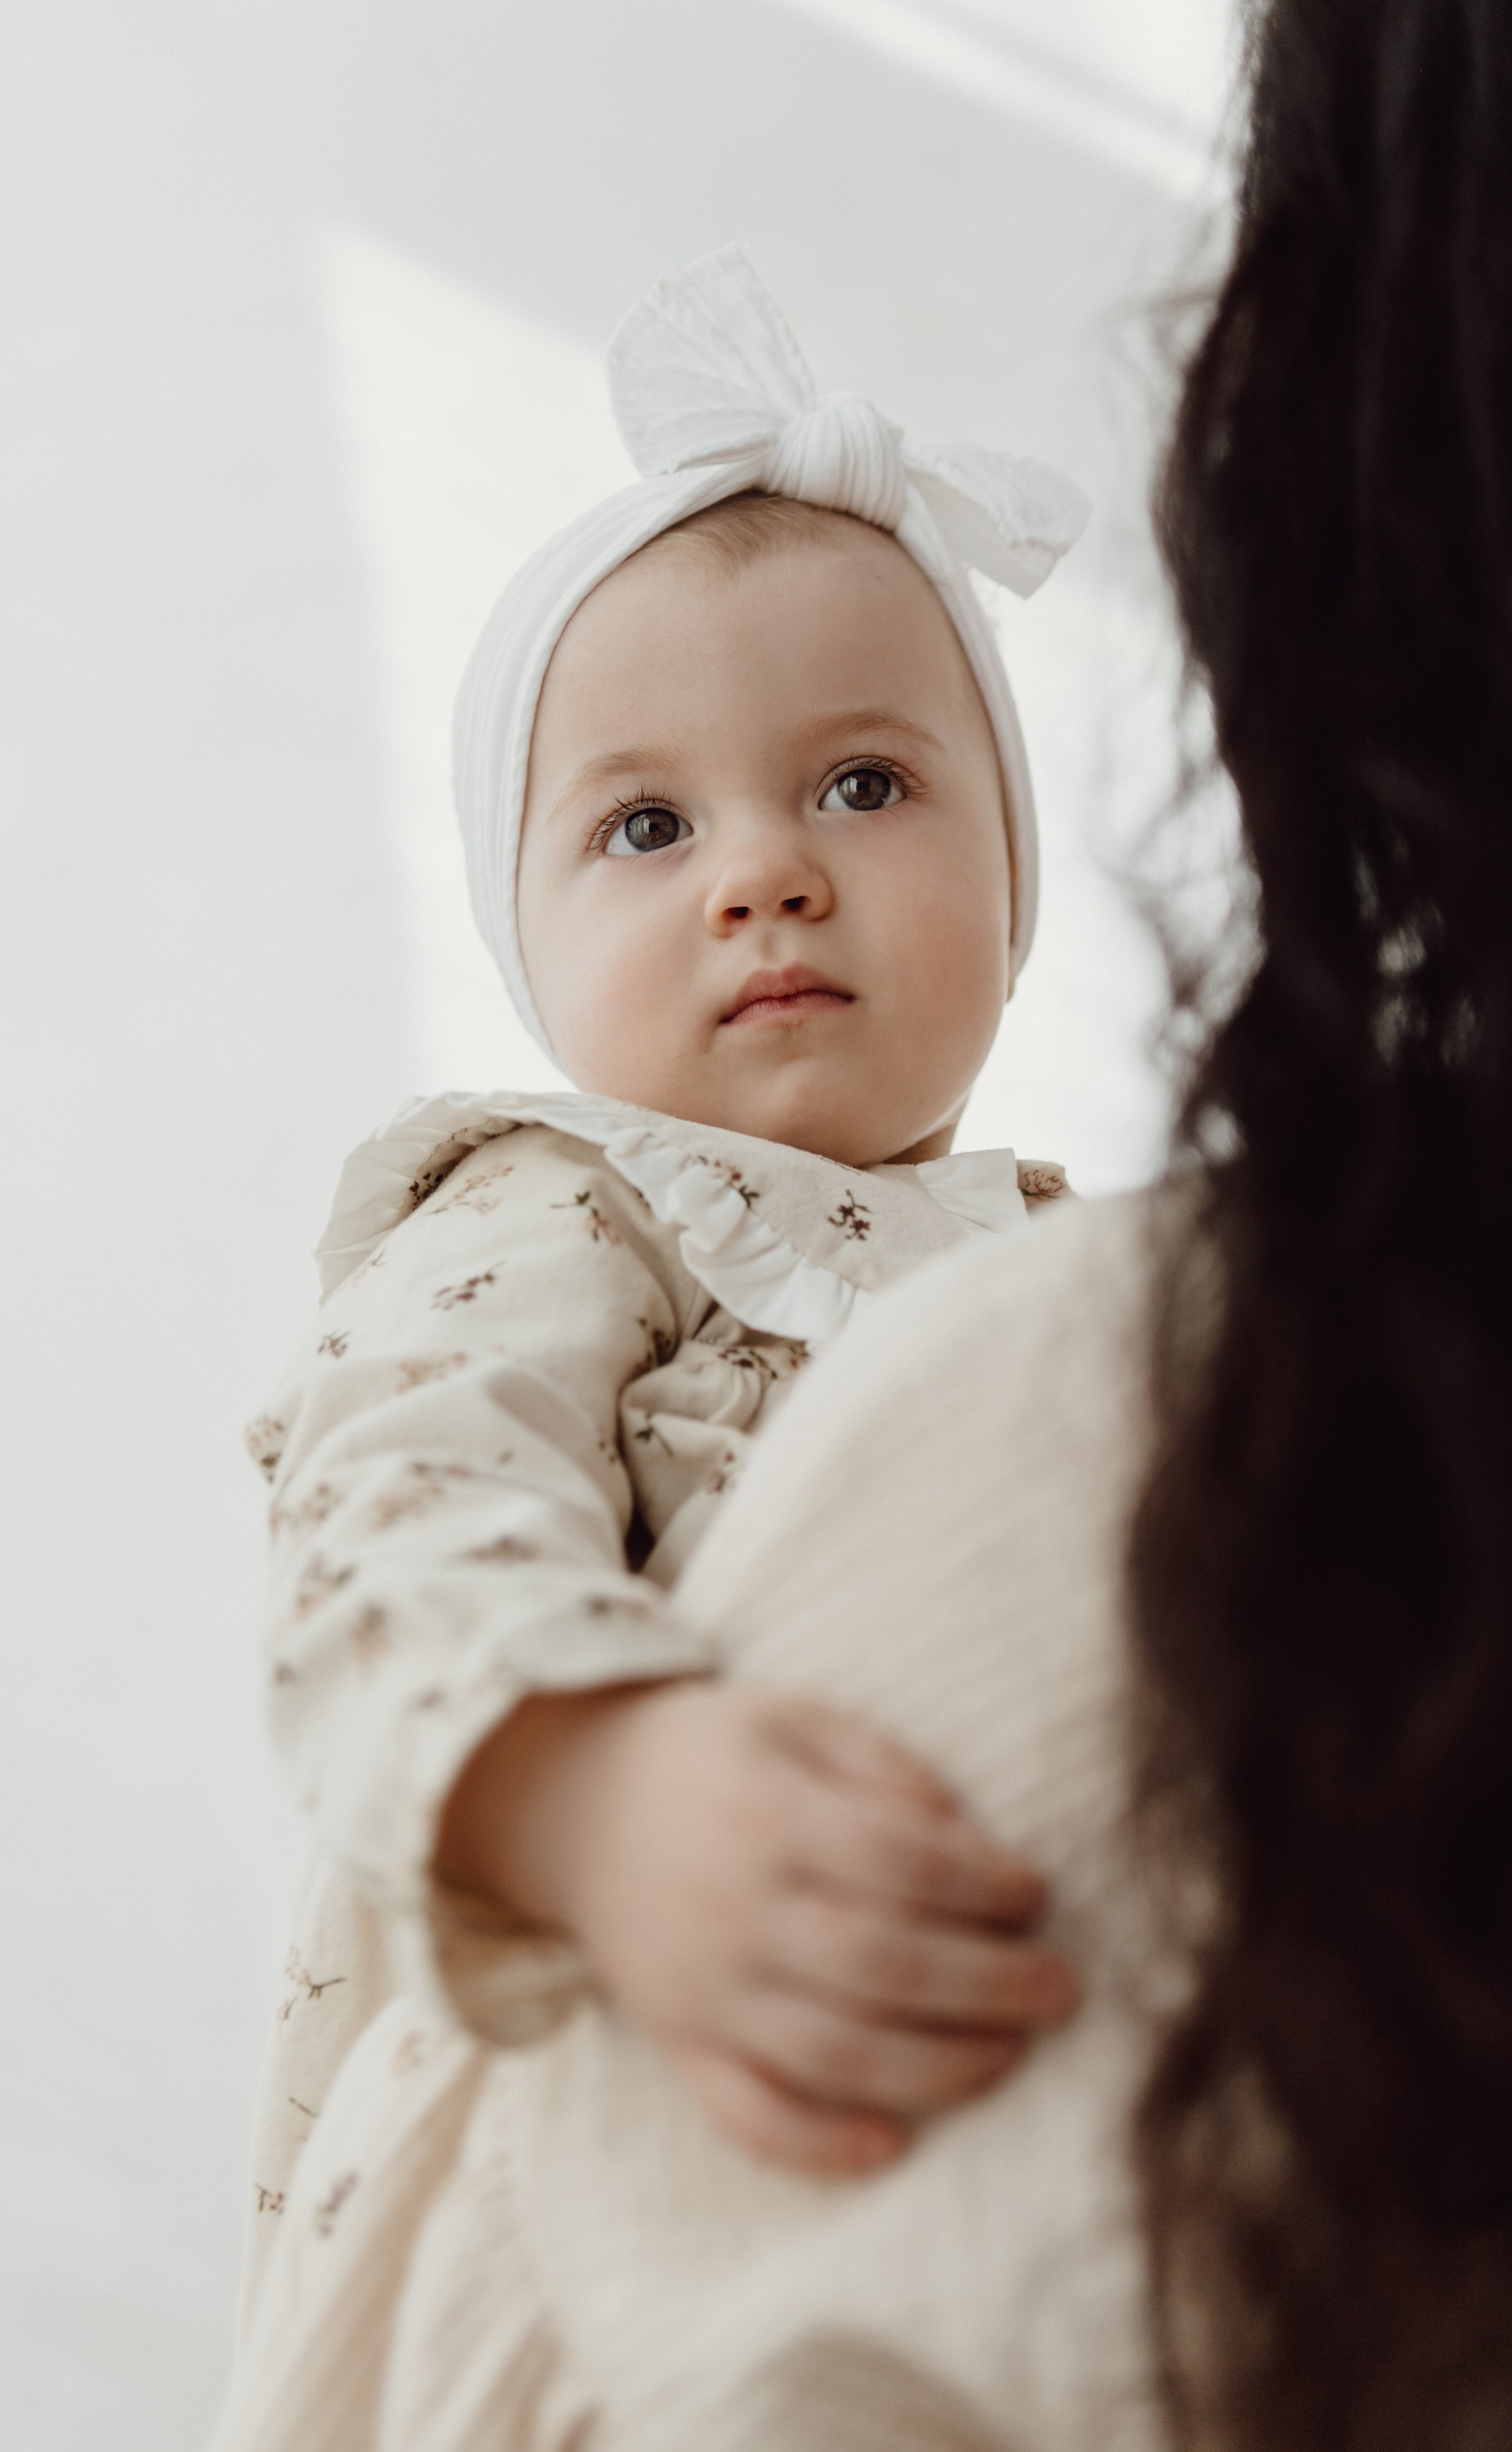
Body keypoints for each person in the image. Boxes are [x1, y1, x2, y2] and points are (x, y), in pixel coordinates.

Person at [212, 251, 1096, 2446]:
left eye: (864, 784)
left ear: (1014, 874)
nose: (763, 874)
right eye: (646, 825)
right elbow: (387, 1515)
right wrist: (597, 1795)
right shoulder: (561, 1204)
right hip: (600, 2042)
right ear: (526, 942)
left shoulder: (1059, 1273)